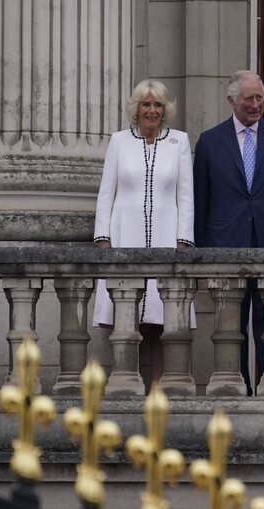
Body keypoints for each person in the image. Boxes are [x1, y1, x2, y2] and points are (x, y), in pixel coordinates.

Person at [193, 70, 264, 395]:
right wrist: (202, 251)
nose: (256, 105)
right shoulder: (211, 141)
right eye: (249, 99)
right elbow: (201, 199)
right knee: (231, 326)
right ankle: (237, 389)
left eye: (259, 98)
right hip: (226, 246)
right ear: (232, 101)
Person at [93, 79, 195, 385]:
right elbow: (106, 193)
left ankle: (159, 388)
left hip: (166, 236)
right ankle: (127, 384)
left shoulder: (179, 141)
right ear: (136, 108)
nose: (152, 110)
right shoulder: (119, 141)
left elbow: (185, 195)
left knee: (161, 317)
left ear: (165, 110)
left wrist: (183, 239)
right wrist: (102, 237)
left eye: (158, 105)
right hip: (125, 234)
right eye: (146, 104)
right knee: (126, 314)